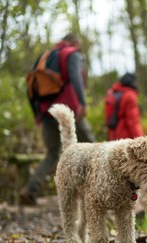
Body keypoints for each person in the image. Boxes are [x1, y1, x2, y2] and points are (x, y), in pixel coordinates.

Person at [20, 33, 96, 205]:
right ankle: (100, 188)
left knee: (52, 154)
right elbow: (76, 78)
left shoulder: (44, 57)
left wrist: (37, 114)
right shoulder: (72, 54)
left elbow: (31, 87)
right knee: (93, 146)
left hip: (47, 113)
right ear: (74, 42)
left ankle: (30, 189)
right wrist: (82, 103)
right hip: (68, 111)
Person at [105, 73, 144, 140]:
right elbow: (133, 122)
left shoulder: (113, 93)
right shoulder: (130, 96)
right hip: (125, 138)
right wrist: (142, 140)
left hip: (113, 136)